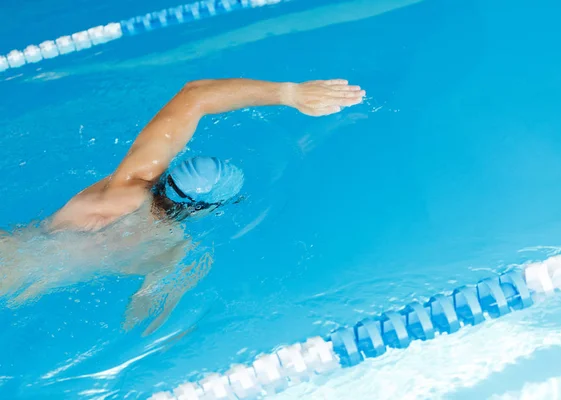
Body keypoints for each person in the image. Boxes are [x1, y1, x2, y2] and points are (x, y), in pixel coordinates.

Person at [0, 78, 365, 334]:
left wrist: (290, 93)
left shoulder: (125, 189)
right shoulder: (171, 249)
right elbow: (144, 317)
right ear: (206, 209)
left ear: (171, 175)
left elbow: (194, 95)